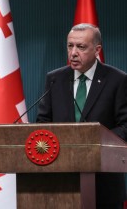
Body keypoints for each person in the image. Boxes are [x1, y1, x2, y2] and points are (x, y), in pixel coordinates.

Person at [37, 23, 127, 208]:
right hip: (60, 179)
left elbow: (125, 126)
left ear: (97, 50)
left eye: (81, 47)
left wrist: (93, 145)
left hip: (103, 181)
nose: (73, 53)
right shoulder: (55, 79)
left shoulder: (118, 80)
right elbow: (43, 122)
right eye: (70, 46)